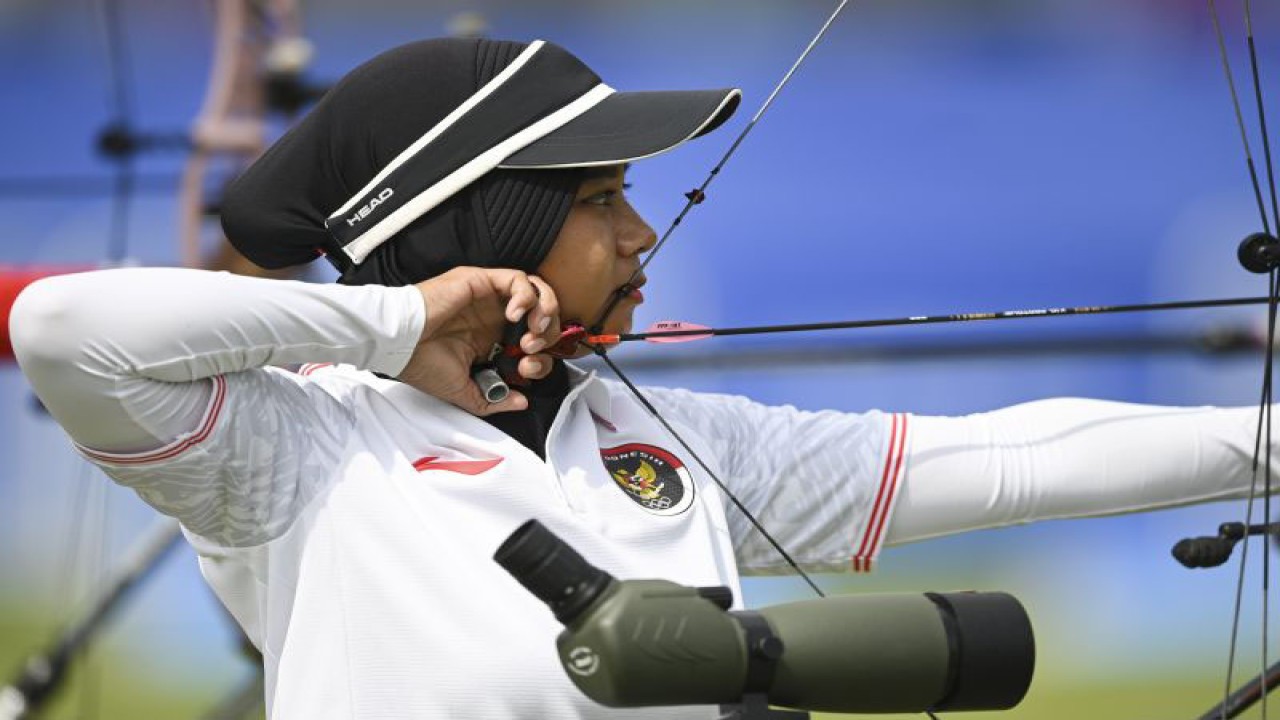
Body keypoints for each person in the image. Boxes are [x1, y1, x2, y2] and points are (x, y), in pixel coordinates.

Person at [8, 37, 1267, 719]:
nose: (640, 233)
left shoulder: (660, 438)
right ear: (484, 229)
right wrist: (398, 321)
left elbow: (1003, 460)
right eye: (599, 200)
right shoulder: (298, 447)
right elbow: (66, 328)